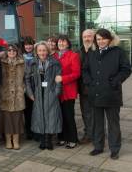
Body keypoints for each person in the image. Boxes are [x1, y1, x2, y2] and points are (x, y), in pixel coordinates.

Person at [83, 28, 131, 160]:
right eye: (98, 39)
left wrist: (115, 81)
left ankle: (115, 149)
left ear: (109, 39)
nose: (101, 41)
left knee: (113, 124)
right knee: (97, 123)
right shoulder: (91, 53)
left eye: (103, 38)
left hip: (112, 94)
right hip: (96, 93)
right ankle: (98, 146)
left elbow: (126, 69)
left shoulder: (118, 52)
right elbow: (85, 70)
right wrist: (89, 82)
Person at [25, 41, 62, 150]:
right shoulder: (32, 63)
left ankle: (48, 140)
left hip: (50, 92)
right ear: (36, 51)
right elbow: (26, 79)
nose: (42, 52)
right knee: (39, 116)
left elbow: (58, 79)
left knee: (51, 116)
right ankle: (42, 140)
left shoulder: (55, 62)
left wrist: (56, 92)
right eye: (40, 50)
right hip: (37, 93)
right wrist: (30, 93)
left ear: (48, 51)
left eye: (44, 50)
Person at [54, 35, 80, 149]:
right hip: (56, 91)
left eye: (64, 42)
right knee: (59, 115)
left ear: (68, 44)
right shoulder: (54, 56)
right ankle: (62, 138)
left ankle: (72, 139)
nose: (61, 44)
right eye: (59, 42)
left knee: (68, 116)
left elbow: (76, 73)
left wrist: (63, 78)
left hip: (68, 91)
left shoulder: (73, 56)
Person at [0, 44, 25, 150]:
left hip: (18, 95)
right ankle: (8, 140)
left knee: (17, 118)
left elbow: (26, 77)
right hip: (5, 95)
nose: (12, 52)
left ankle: (16, 140)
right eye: (9, 50)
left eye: (14, 51)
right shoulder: (1, 63)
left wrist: (23, 88)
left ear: (17, 52)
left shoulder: (22, 63)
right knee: (7, 119)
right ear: (6, 52)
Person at [78, 29, 96, 144]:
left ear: (93, 37)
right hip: (83, 89)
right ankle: (88, 134)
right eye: (84, 37)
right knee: (85, 113)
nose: (87, 39)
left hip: (96, 89)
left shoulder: (97, 51)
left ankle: (97, 135)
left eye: (89, 36)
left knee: (96, 113)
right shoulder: (78, 51)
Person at [22, 36, 35, 140]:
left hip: (35, 87)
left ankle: (35, 131)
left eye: (30, 44)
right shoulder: (21, 57)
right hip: (24, 88)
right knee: (27, 111)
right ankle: (29, 132)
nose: (28, 46)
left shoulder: (37, 56)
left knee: (35, 110)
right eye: (26, 44)